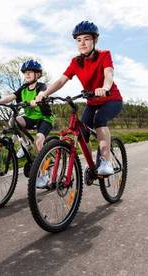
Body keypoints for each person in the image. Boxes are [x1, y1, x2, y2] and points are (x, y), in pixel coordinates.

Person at [33, 20, 123, 175]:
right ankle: (92, 164)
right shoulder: (76, 62)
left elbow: (109, 73)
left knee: (99, 121)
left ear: (95, 40)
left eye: (86, 39)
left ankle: (106, 161)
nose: (82, 43)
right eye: (79, 40)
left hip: (111, 99)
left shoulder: (104, 55)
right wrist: (44, 93)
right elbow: (61, 80)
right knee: (82, 132)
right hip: (92, 101)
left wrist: (105, 87)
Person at [0, 59, 54, 163]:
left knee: (38, 141)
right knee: (13, 121)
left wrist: (38, 98)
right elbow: (11, 97)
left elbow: (42, 93)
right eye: (25, 73)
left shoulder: (41, 86)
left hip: (44, 118)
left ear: (37, 74)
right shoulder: (23, 88)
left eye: (30, 72)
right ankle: (26, 145)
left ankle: (45, 167)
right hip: (30, 118)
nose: (27, 74)